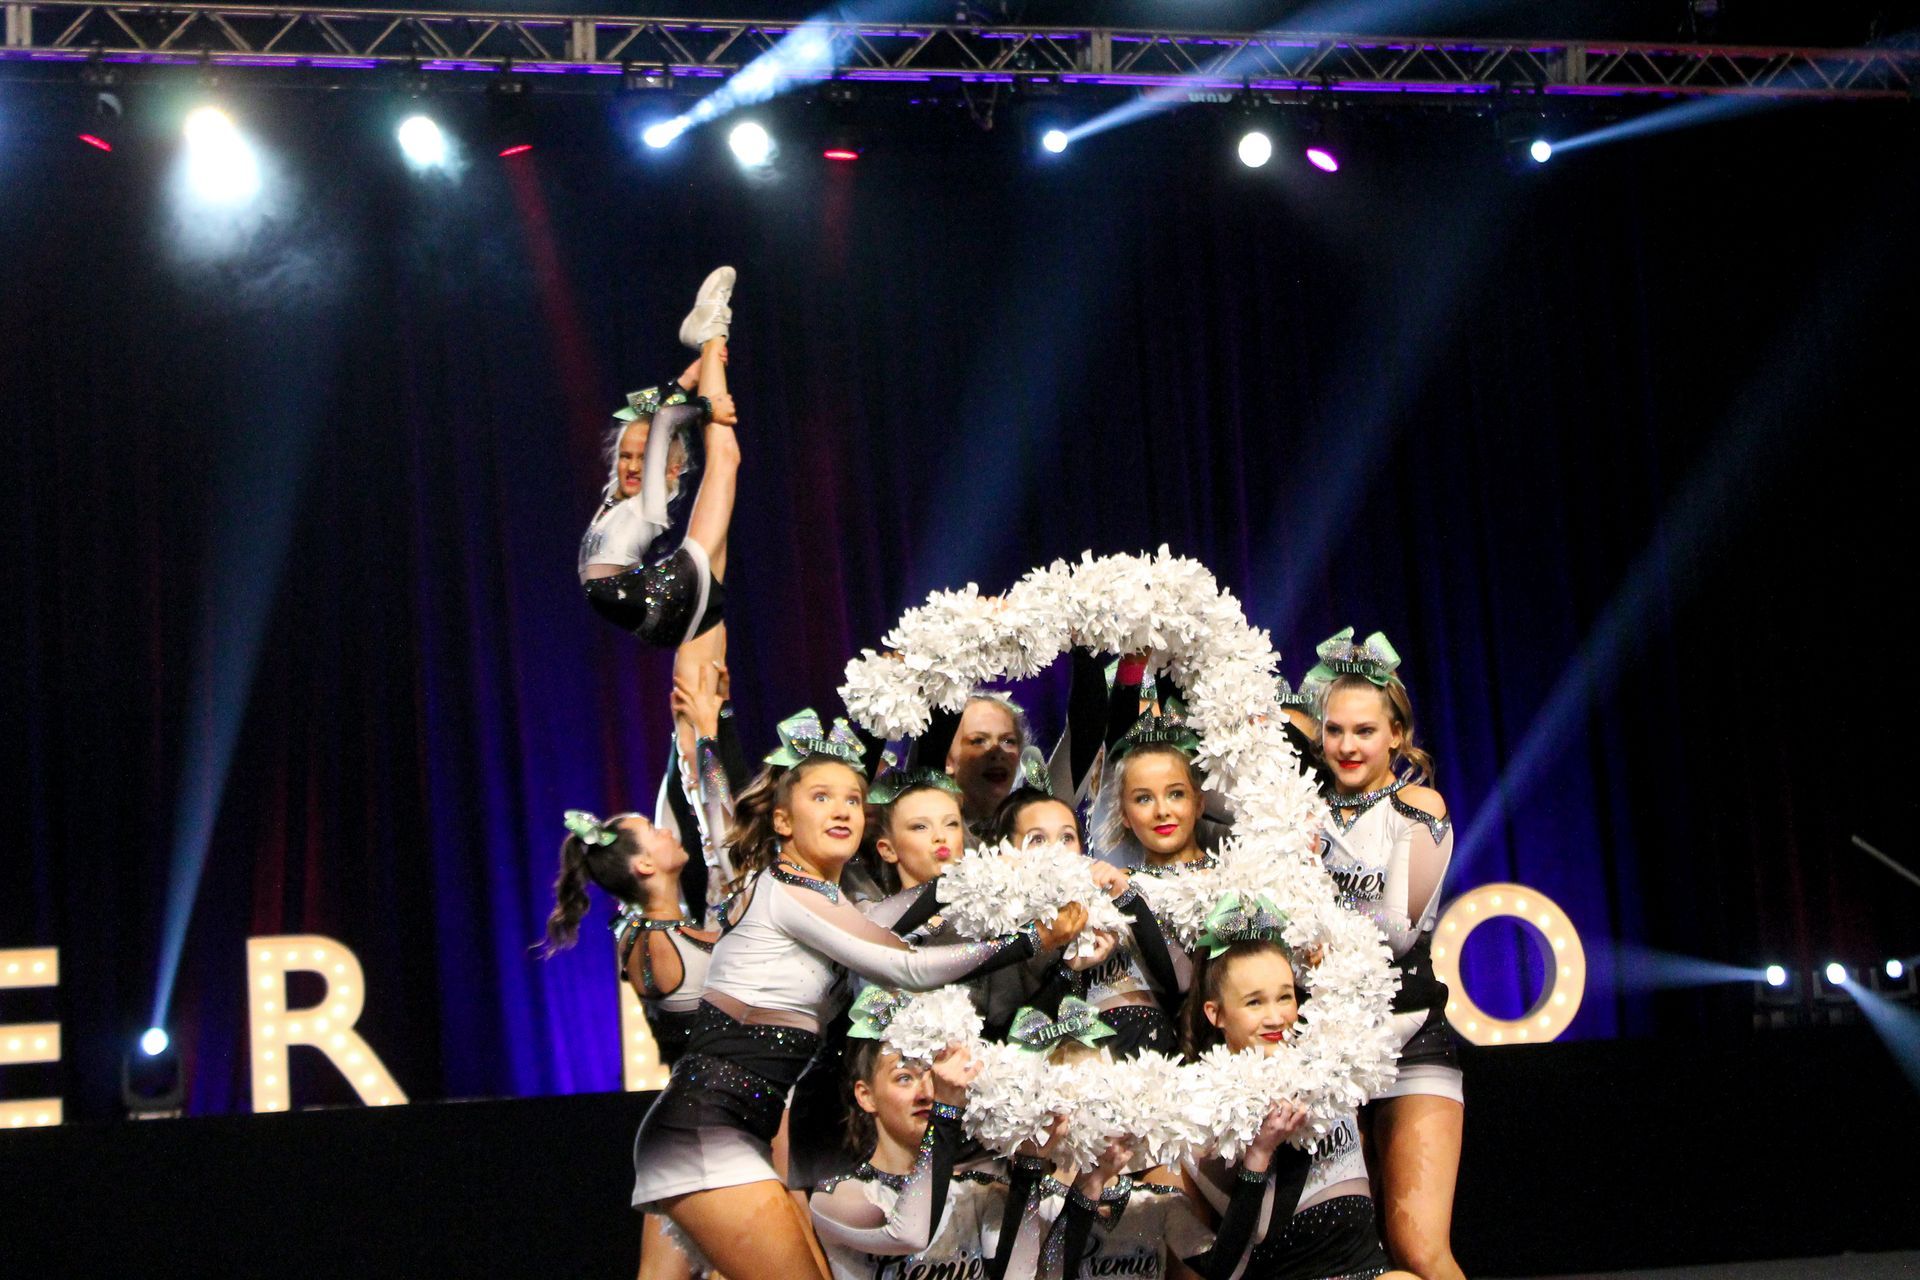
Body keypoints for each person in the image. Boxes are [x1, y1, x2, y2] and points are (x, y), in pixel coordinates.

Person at [625, 722, 1089, 1278]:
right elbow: (906, 963)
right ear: (782, 820)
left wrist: (971, 876)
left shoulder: (824, 900)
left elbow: (881, 922)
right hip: (705, 1124)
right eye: (821, 798)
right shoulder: (785, 891)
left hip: (738, 1123)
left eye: (852, 798)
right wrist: (1033, 939)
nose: (842, 809)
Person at [1305, 629, 1464, 1280]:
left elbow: (1397, 932)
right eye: (1335, 730)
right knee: (1350, 1261)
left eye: (1365, 730)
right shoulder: (1296, 813)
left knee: (1417, 1247)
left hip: (1408, 1038)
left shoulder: (1417, 807)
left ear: (1397, 734)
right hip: (1321, 1048)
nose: (1347, 745)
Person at [1164, 927, 1417, 1280]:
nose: (1275, 1017)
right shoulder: (1203, 1110)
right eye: (1254, 1002)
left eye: (1284, 997)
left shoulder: (1328, 1066)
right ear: (1215, 1014)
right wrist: (1259, 1156)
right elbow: (1224, 1267)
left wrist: (1330, 965)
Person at [540, 810, 719, 1280]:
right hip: (709, 1125)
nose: (668, 832)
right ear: (644, 866)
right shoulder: (654, 942)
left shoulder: (652, 931)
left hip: (687, 1122)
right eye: (655, 833)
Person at [809, 1006, 1059, 1279]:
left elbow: (1019, 1275)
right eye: (904, 1078)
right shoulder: (837, 1196)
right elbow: (912, 1233)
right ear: (865, 1095)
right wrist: (946, 1110)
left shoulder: (976, 1194)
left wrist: (1029, 1164)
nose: (928, 1092)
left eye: (933, 1077)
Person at [580, 267, 740, 648]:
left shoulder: (648, 502)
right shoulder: (614, 501)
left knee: (726, 457)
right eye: (624, 457)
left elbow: (665, 421)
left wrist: (707, 407)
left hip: (663, 603)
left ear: (669, 469)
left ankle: (713, 326)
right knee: (703, 695)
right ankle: (707, 336)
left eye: (642, 457)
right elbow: (629, 414)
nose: (632, 466)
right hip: (657, 613)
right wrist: (687, 379)